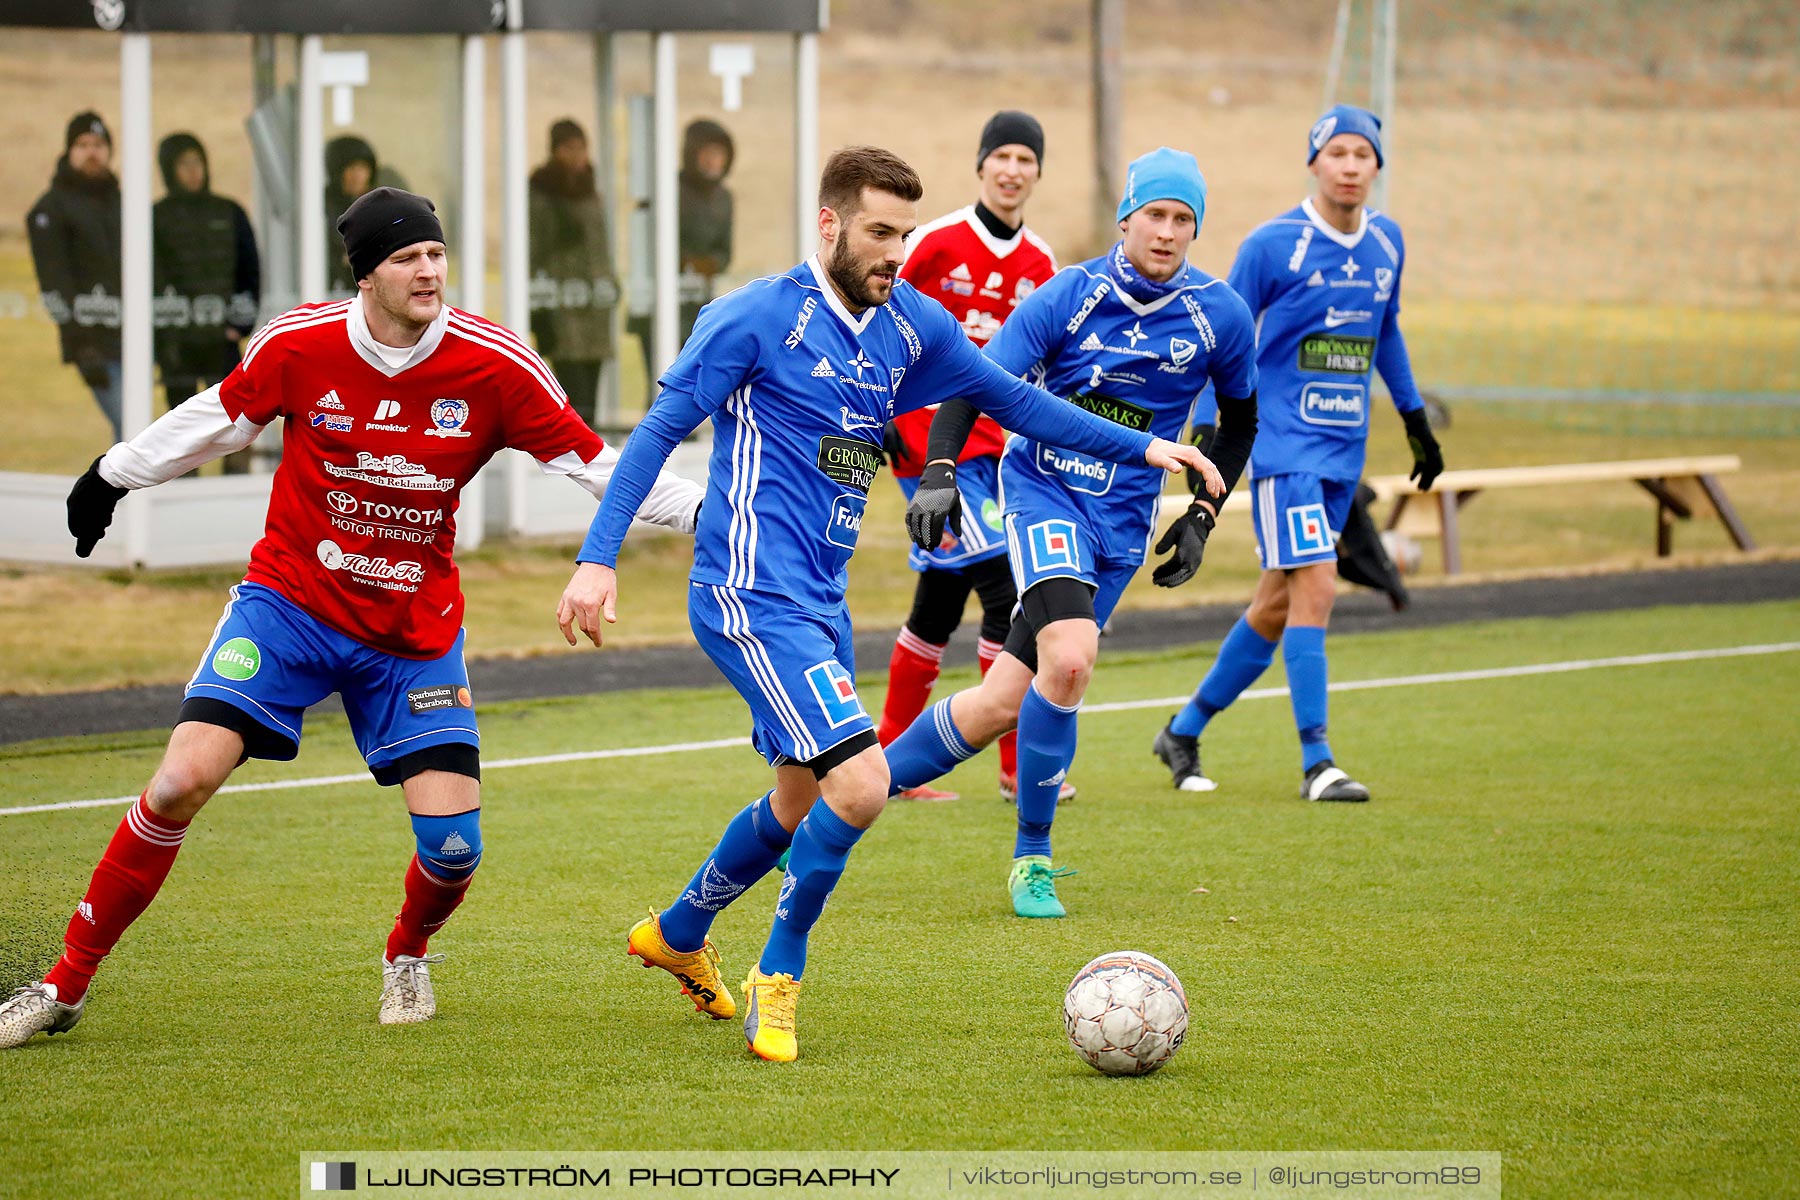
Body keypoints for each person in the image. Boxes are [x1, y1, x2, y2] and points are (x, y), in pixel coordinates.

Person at [556, 146, 1219, 1062]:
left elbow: (1015, 403)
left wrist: (1147, 453)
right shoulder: (754, 317)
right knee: (863, 785)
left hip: (818, 602)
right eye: (877, 232)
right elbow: (657, 435)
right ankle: (778, 974)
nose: (895, 252)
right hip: (748, 593)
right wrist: (599, 560)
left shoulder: (911, 323)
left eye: (904, 234)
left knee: (796, 798)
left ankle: (675, 932)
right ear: (827, 225)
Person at [0, 187, 703, 1051]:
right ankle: (63, 984)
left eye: (437, 255)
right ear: (366, 274)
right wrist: (112, 474)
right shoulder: (302, 343)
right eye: (409, 258)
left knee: (452, 851)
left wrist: (720, 514)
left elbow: (601, 467)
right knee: (180, 781)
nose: (430, 271)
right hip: (287, 609)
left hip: (412, 635)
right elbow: (220, 418)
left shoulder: (496, 364)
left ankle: (407, 953)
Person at [879, 147, 1260, 920]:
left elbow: (1240, 420)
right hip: (1043, 491)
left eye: (1183, 219)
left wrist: (1201, 515)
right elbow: (976, 381)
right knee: (1074, 656)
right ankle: (1033, 858)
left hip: (1121, 524)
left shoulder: (1218, 314)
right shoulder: (1070, 295)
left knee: (998, 702)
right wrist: (941, 468)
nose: (1167, 231)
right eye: (1154, 214)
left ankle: (853, 786)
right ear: (1126, 218)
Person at [1150, 105, 1443, 802]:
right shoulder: (1272, 245)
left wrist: (1414, 418)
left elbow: (1386, 331)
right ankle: (1319, 762)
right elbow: (1222, 329)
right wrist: (1204, 426)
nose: (1348, 165)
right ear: (1313, 162)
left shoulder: (1388, 243)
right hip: (1282, 450)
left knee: (1275, 607)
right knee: (1317, 586)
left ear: (1377, 165)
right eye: (1336, 152)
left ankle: (1183, 731)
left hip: (1344, 451)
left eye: (1361, 154)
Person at [876, 111, 1063, 805]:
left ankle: (890, 762)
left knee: (939, 603)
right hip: (932, 456)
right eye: (1002, 156)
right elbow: (876, 316)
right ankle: (1017, 767)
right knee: (1007, 592)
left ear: (1038, 172)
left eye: (1026, 159)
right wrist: (882, 416)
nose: (1013, 170)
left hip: (997, 456)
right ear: (981, 164)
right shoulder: (935, 242)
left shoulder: (1041, 264)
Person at [153, 133, 262, 472]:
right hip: (178, 341)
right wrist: (164, 332)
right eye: (184, 164)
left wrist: (239, 325)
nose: (193, 171)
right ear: (169, 170)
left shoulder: (229, 212)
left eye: (197, 162)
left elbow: (250, 272)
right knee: (183, 432)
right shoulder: (157, 217)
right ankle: (187, 496)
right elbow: (151, 278)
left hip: (222, 339)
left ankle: (235, 491)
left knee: (236, 423)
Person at [27, 111, 122, 441]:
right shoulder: (51, 209)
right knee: (131, 425)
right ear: (69, 151)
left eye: (99, 144)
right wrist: (81, 344)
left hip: (133, 340)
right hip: (95, 343)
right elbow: (54, 281)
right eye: (82, 144)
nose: (92, 151)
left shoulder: (123, 202)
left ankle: (125, 493)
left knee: (135, 431)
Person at [626, 119, 735, 397]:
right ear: (692, 154)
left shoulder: (724, 197)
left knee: (693, 380)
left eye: (719, 154)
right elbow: (649, 242)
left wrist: (710, 265)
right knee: (662, 381)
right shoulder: (667, 190)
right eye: (707, 153)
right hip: (659, 298)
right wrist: (683, 262)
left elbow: (725, 252)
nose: (713, 161)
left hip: (697, 303)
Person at [529, 119, 619, 427]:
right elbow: (534, 249)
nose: (577, 155)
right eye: (569, 148)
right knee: (568, 392)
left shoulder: (591, 190)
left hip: (594, 303)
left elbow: (602, 244)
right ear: (555, 151)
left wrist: (610, 284)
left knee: (590, 398)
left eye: (582, 147)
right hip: (562, 304)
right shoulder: (541, 193)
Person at [324, 136, 409, 294]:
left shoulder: (376, 206)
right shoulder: (321, 206)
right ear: (336, 171)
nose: (358, 176)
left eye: (362, 168)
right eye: (351, 168)